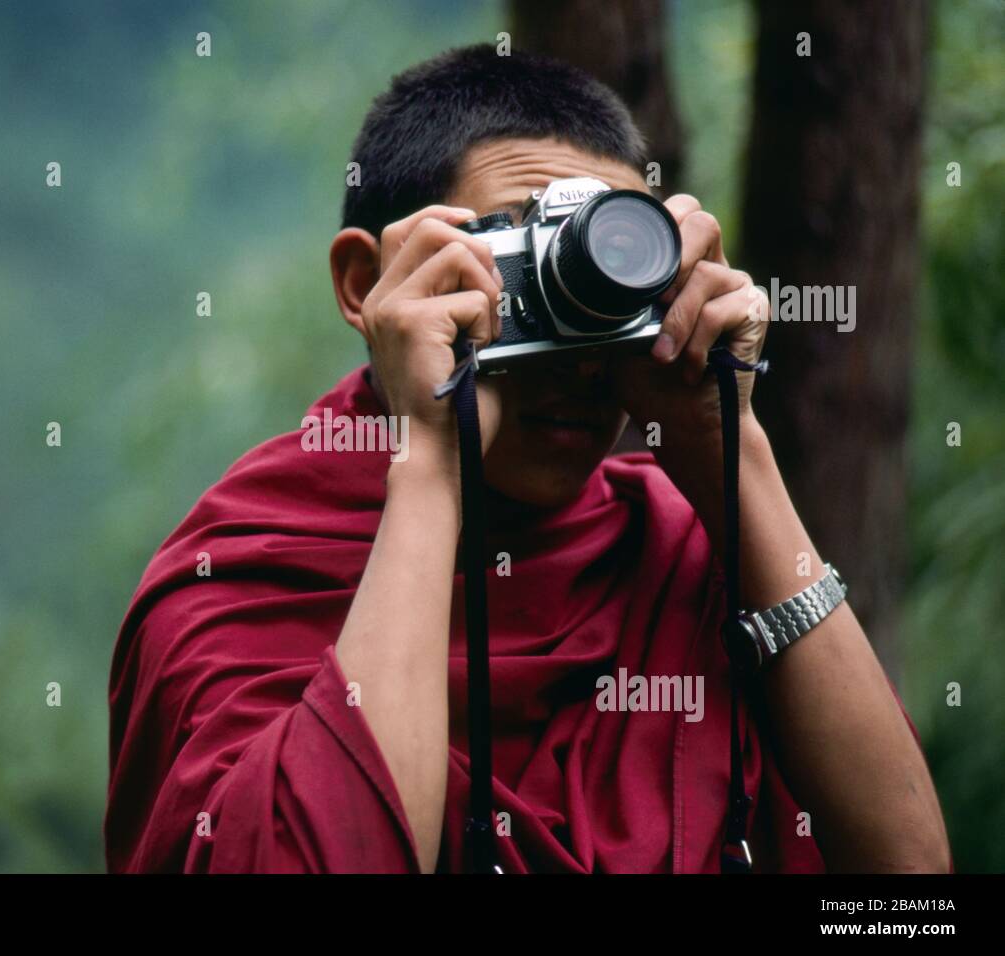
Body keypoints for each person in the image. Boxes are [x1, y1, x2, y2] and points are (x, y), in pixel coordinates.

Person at [105, 44, 949, 873]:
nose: (581, 361)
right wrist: (433, 455)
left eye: (601, 283)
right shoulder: (247, 562)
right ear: (369, 285)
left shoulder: (674, 543)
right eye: (520, 276)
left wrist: (730, 450)